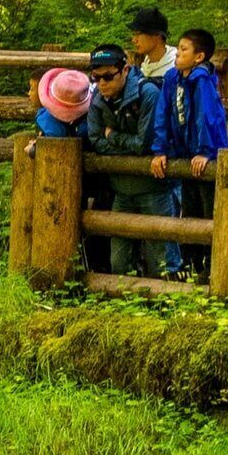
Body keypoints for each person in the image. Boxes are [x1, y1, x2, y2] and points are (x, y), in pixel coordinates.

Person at [85, 45, 168, 279]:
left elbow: (144, 144)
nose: (102, 83)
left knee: (159, 258)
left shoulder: (148, 94)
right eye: (96, 77)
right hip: (121, 189)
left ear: (125, 70)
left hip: (154, 189)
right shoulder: (97, 99)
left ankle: (166, 305)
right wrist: (124, 144)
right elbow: (95, 141)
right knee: (118, 261)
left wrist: (112, 136)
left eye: (108, 76)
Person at [158, 28, 228, 277]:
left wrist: (204, 151)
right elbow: (163, 114)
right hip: (183, 155)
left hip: (205, 156)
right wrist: (161, 148)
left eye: (183, 49)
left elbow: (208, 117)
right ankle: (192, 263)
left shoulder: (202, 80)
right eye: (177, 48)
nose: (177, 54)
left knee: (207, 208)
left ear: (199, 56)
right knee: (188, 210)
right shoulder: (172, 78)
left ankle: (211, 267)